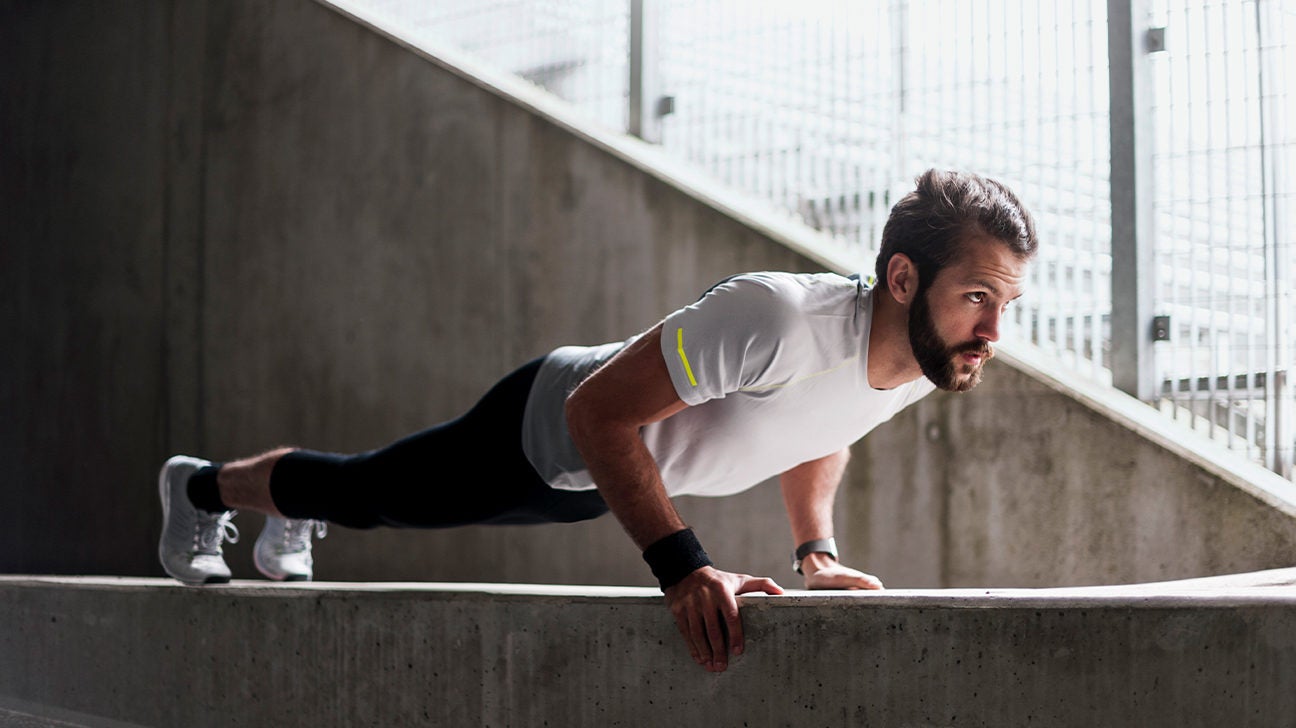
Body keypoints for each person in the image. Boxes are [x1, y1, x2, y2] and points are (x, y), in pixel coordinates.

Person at [158, 168, 1037, 672]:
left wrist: (817, 554)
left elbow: (823, 427)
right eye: (977, 298)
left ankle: (287, 506)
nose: (993, 332)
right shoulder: (775, 319)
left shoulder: (928, 358)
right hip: (549, 428)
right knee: (372, 493)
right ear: (902, 281)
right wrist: (682, 569)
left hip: (606, 480)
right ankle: (199, 489)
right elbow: (596, 411)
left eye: (1006, 305)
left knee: (372, 491)